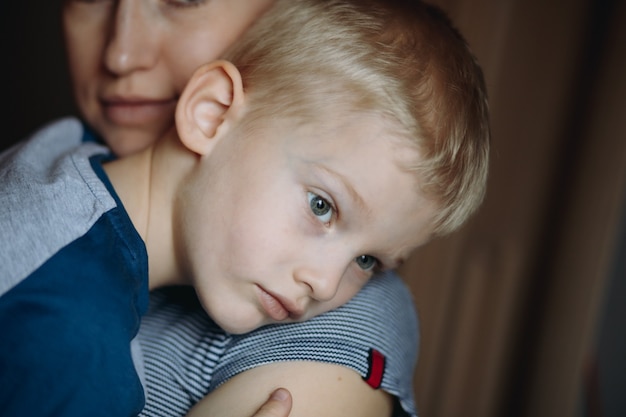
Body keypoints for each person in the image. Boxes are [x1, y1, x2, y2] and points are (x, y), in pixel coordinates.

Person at [1, 3, 489, 417]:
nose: (325, 284)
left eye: (368, 262)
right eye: (321, 206)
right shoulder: (73, 338)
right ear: (210, 114)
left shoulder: (54, 155)